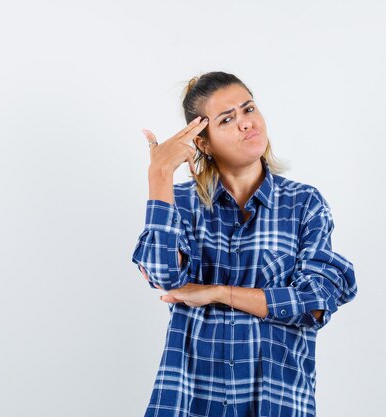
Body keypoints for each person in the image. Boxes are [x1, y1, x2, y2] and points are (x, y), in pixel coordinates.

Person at [131, 71, 358, 417]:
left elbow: (315, 301)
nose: (245, 123)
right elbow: (164, 275)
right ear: (203, 142)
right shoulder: (182, 204)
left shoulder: (303, 204)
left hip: (275, 404)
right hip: (188, 402)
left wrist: (218, 293)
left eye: (248, 109)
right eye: (227, 119)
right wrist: (159, 176)